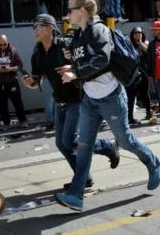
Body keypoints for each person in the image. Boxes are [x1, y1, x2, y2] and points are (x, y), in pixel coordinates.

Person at [55, 0, 160, 211]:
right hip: (89, 101)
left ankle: (155, 164)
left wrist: (75, 72)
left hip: (111, 98)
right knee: (83, 146)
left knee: (125, 141)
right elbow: (85, 63)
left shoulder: (99, 30)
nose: (67, 15)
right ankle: (75, 195)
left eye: (70, 10)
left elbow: (102, 60)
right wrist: (72, 63)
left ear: (82, 11)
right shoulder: (78, 35)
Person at [22, 14, 120, 190]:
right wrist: (31, 83)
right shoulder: (37, 53)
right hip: (60, 102)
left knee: (70, 141)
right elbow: (37, 81)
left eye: (38, 26)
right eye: (33, 27)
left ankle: (107, 146)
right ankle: (85, 179)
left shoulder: (65, 45)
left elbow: (86, 63)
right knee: (62, 144)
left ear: (50, 28)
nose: (34, 30)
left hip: (78, 100)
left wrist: (73, 66)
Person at [0, 34, 29, 130]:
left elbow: (20, 65)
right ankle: (6, 123)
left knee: (17, 103)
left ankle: (23, 120)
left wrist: (10, 68)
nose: (2, 47)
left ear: (8, 42)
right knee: (2, 104)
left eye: (4, 44)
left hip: (12, 81)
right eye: (0, 45)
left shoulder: (13, 51)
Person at [126, 27, 152, 123]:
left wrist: (140, 43)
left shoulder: (145, 43)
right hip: (133, 74)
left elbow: (149, 52)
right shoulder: (129, 45)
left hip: (144, 73)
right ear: (132, 35)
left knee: (145, 94)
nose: (138, 34)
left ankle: (149, 112)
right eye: (136, 33)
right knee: (131, 95)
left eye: (140, 32)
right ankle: (130, 117)